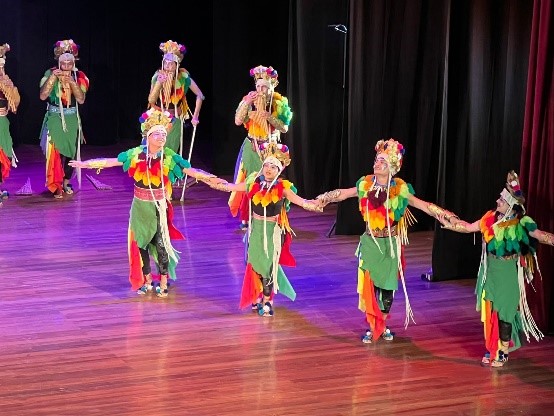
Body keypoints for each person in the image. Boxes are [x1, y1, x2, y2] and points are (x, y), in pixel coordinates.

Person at [316, 138, 458, 343]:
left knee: (388, 288)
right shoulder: (365, 185)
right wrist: (324, 197)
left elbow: (425, 206)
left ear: (392, 166)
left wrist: (446, 216)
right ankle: (374, 325)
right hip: (370, 243)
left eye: (382, 161)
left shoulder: (400, 191)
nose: (376, 163)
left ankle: (381, 324)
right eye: (376, 159)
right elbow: (344, 194)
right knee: (371, 287)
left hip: (390, 244)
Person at [69, 109, 215, 298]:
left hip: (158, 207)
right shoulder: (136, 154)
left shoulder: (169, 156)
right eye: (157, 134)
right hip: (139, 207)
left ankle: (163, 281)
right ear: (148, 136)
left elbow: (190, 170)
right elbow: (111, 162)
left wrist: (209, 178)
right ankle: (146, 279)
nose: (162, 137)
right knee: (141, 244)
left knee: (161, 243)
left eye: (164, 134)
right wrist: (86, 164)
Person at [442, 170, 554, 367]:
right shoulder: (490, 219)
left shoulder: (520, 223)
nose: (497, 201)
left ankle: (502, 351)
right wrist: (451, 223)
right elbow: (469, 227)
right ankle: (492, 347)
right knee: (491, 312)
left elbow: (541, 235)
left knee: (505, 314)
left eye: (502, 199)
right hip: (490, 273)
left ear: (511, 204)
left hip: (507, 275)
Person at [208, 141, 321, 316]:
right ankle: (256, 294)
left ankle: (268, 301)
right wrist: (216, 183)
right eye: (266, 165)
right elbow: (232, 187)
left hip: (272, 232)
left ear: (279, 170)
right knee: (254, 263)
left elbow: (301, 201)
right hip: (256, 230)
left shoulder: (284, 188)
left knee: (268, 267)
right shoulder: (253, 183)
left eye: (273, 167)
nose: (268, 169)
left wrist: (314, 205)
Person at [229, 65, 293, 230]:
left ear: (273, 85)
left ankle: (268, 212)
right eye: (258, 86)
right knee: (249, 179)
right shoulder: (249, 99)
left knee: (268, 179)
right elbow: (237, 120)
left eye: (264, 86)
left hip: (270, 147)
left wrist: (269, 118)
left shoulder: (279, 102)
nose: (261, 89)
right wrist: (246, 103)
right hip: (251, 145)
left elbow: (284, 128)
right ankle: (247, 216)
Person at [39, 39, 89, 199]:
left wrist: (72, 82)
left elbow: (81, 99)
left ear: (74, 61)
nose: (66, 65)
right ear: (58, 61)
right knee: (55, 150)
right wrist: (54, 78)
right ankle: (55, 184)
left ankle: (66, 182)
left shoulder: (80, 76)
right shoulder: (49, 73)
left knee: (70, 152)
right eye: (63, 62)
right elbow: (43, 95)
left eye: (69, 62)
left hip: (72, 117)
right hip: (55, 116)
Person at [147, 40, 204, 156]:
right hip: (157, 118)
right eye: (165, 63)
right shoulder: (157, 76)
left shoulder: (183, 78)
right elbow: (151, 100)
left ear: (177, 64)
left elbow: (200, 95)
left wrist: (195, 116)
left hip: (175, 120)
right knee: (155, 153)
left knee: (170, 153)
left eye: (171, 63)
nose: (167, 66)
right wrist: (159, 83)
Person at [0, 43, 20, 207]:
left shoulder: (5, 83)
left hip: (2, 124)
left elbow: (14, 107)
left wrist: (11, 88)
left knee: (3, 157)